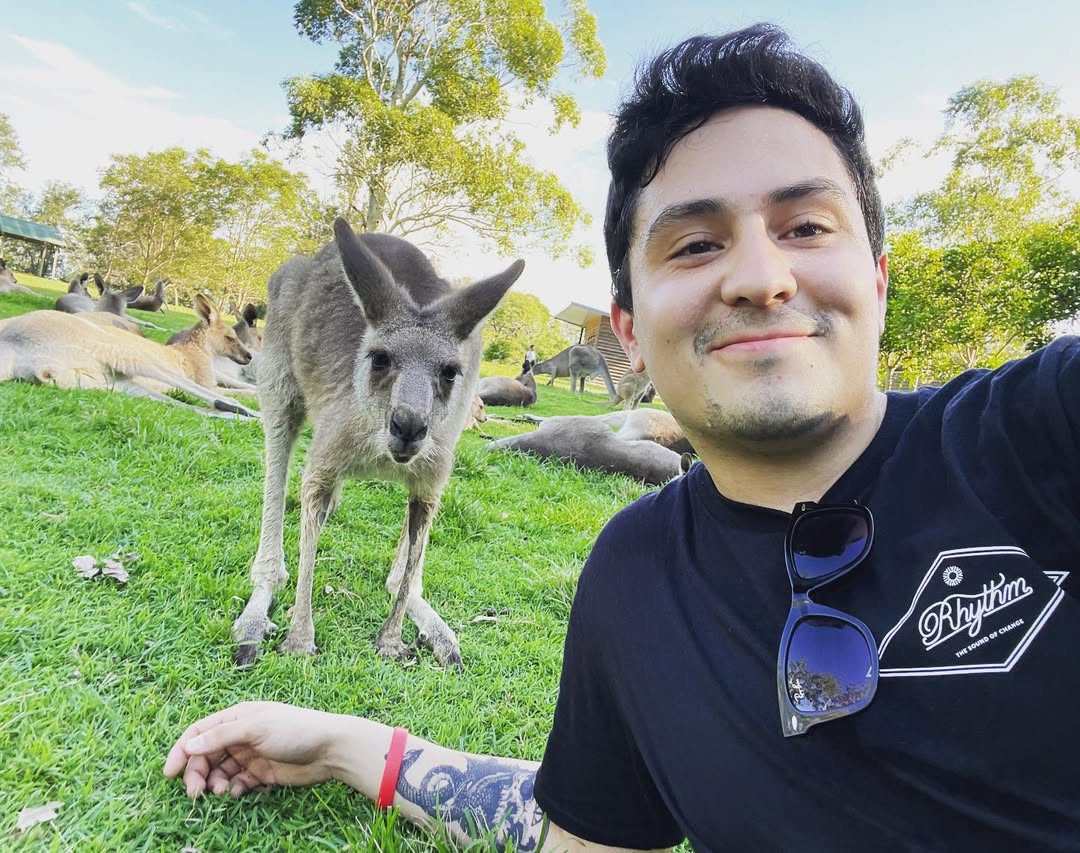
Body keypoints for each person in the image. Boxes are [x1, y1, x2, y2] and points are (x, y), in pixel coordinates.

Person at [164, 24, 1080, 850]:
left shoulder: (1035, 430)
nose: (760, 276)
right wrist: (345, 743)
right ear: (630, 330)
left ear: (878, 279)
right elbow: (575, 826)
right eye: (695, 244)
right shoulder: (635, 576)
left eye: (805, 226)